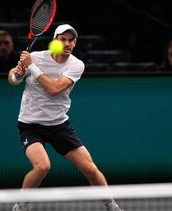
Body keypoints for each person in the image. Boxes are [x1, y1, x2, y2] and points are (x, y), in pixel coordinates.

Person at [8, 24, 123, 211]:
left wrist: (31, 67)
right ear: (55, 41)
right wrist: (18, 75)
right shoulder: (36, 57)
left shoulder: (76, 65)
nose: (67, 43)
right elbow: (12, 79)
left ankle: (110, 205)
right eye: (63, 39)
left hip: (58, 125)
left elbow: (54, 89)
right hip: (30, 125)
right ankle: (21, 204)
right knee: (42, 166)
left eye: (71, 40)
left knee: (89, 168)